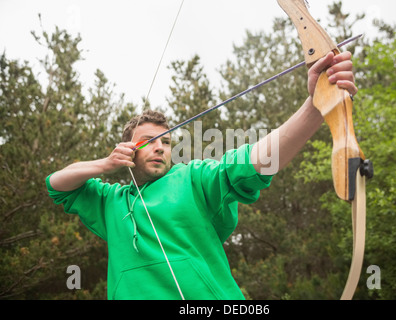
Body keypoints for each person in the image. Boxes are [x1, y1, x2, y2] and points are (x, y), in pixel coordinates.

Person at [46, 51, 358, 300]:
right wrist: (105, 165)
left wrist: (318, 105)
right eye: (147, 142)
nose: (160, 148)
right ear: (128, 149)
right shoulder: (110, 202)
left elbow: (254, 160)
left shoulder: (191, 178)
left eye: (166, 142)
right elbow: (57, 184)